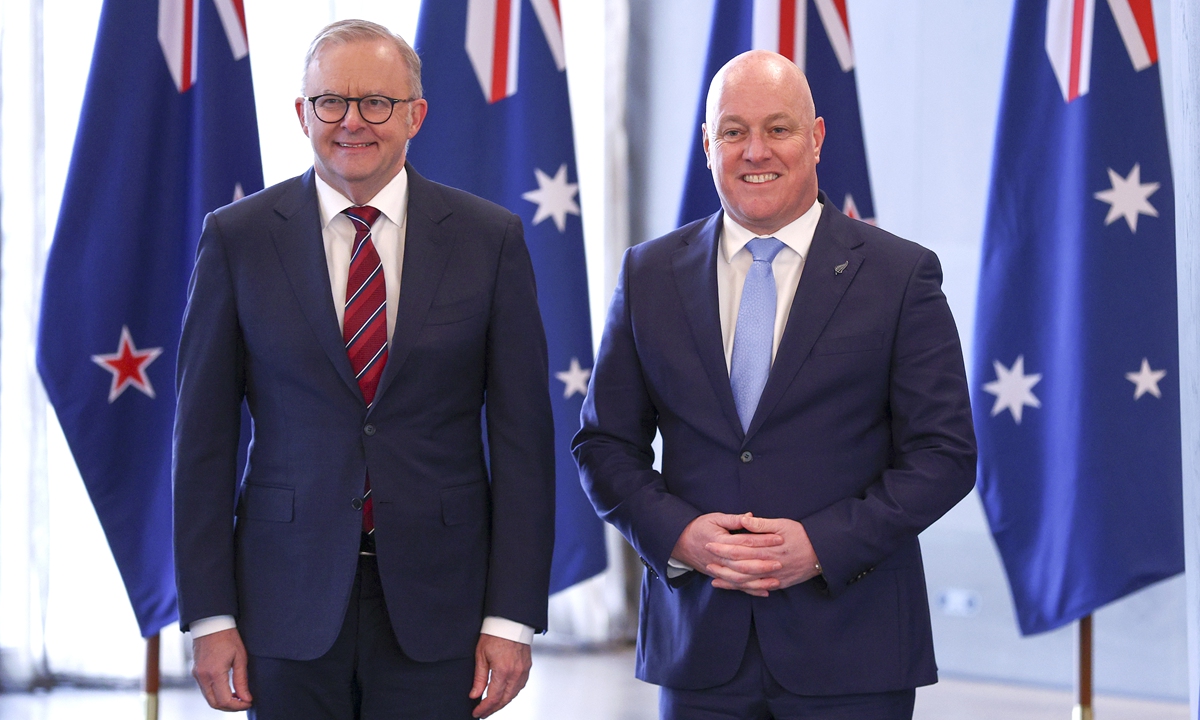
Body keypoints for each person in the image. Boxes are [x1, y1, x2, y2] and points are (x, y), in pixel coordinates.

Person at [573, 50, 977, 719]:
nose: (754, 150)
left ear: (816, 137)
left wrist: (820, 546)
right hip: (698, 649)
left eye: (778, 129)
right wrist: (681, 535)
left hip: (853, 648)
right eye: (732, 131)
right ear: (708, 146)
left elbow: (945, 456)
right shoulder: (649, 274)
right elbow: (603, 446)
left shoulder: (900, 276)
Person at [172, 19, 555, 720]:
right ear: (301, 114)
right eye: (331, 102)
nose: (352, 121)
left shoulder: (488, 240)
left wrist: (510, 619)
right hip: (282, 606)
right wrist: (208, 616)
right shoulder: (237, 239)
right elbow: (202, 445)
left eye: (377, 102)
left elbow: (525, 444)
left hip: (442, 607)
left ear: (416, 115)